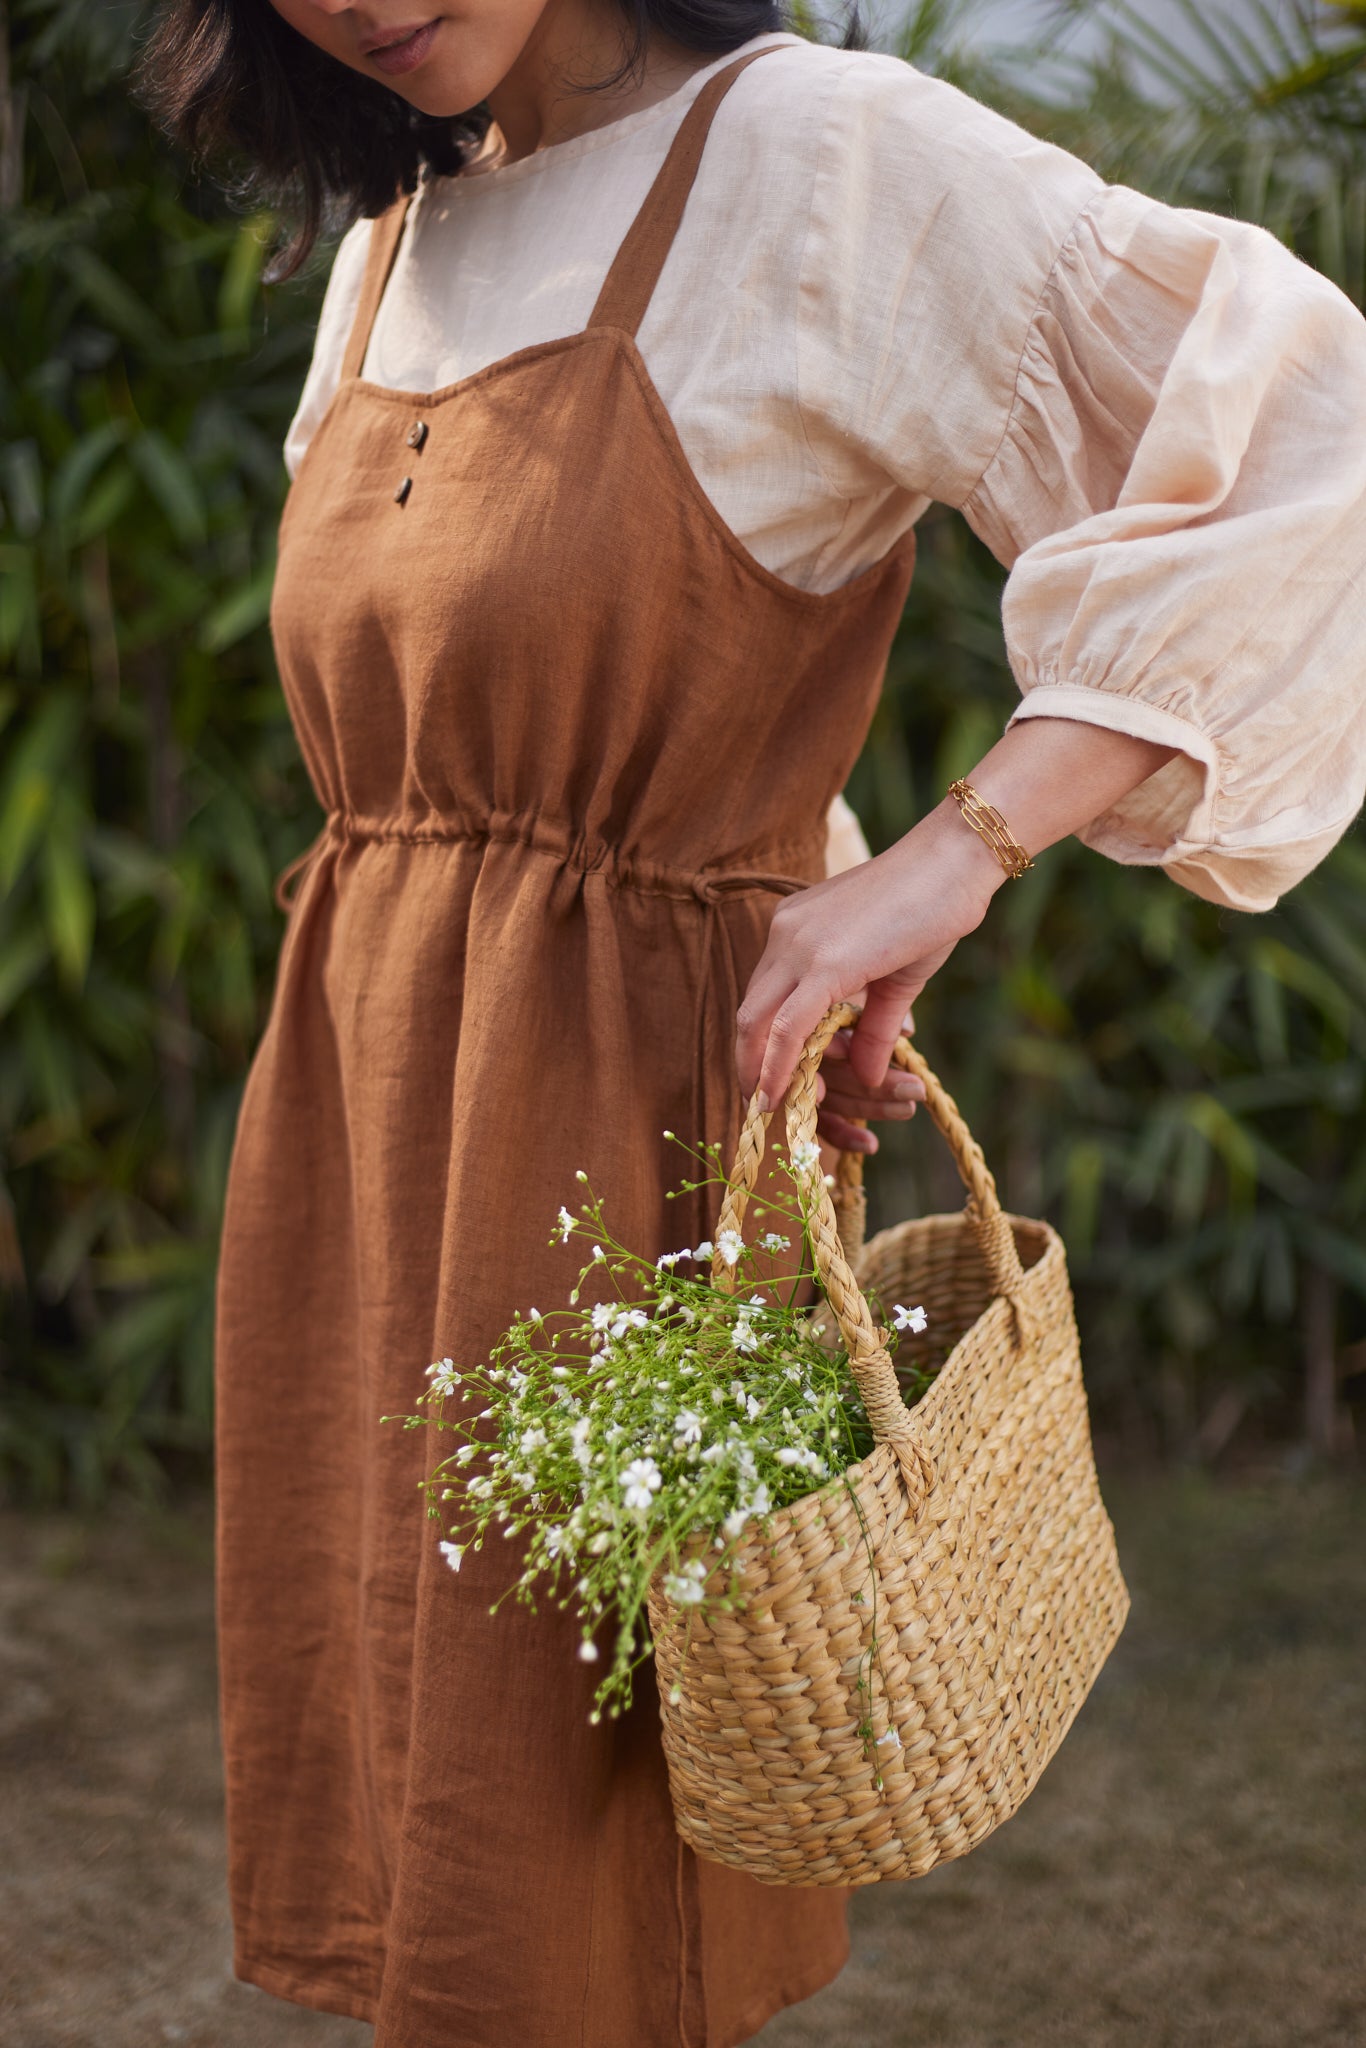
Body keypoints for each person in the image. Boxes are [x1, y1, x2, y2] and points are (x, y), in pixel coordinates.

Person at [138, 2, 1366, 2043]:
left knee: (569, 1881)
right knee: (421, 1819)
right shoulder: (400, 235)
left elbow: (1305, 436)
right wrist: (825, 892)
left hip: (602, 1156)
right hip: (365, 1127)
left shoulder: (815, 156)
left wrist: (955, 856)